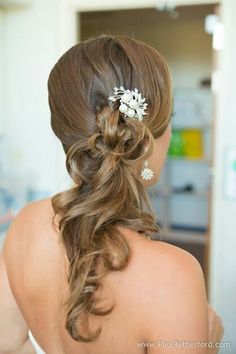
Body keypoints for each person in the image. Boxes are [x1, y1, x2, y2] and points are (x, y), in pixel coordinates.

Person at [0, 35, 224, 354]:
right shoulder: (175, 275)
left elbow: (7, 345)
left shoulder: (25, 224)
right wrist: (209, 345)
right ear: (147, 140)